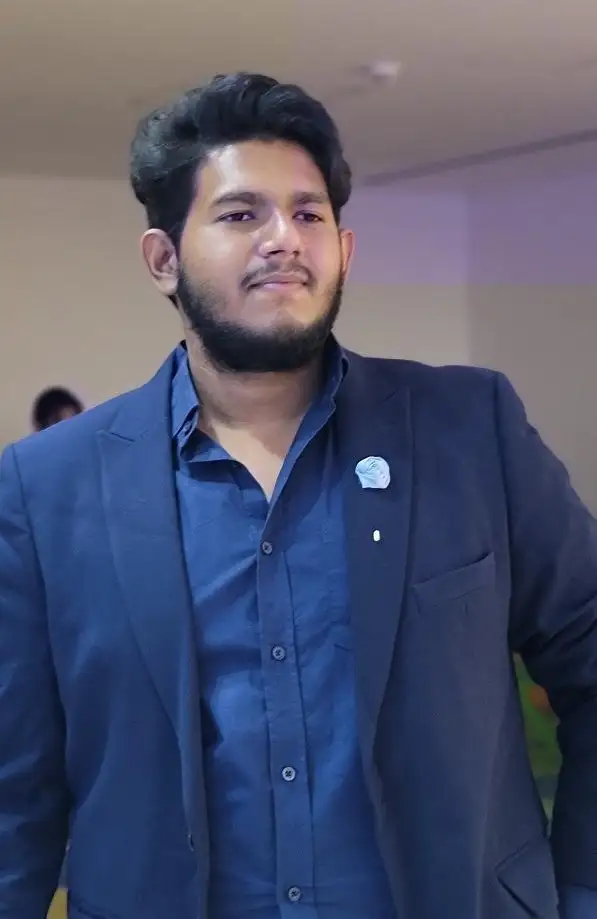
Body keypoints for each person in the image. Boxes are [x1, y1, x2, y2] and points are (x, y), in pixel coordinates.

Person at [0, 73, 595, 919]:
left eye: (308, 214)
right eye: (241, 214)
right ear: (163, 260)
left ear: (343, 249)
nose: (283, 239)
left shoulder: (468, 431)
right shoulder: (46, 487)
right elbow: (16, 791)